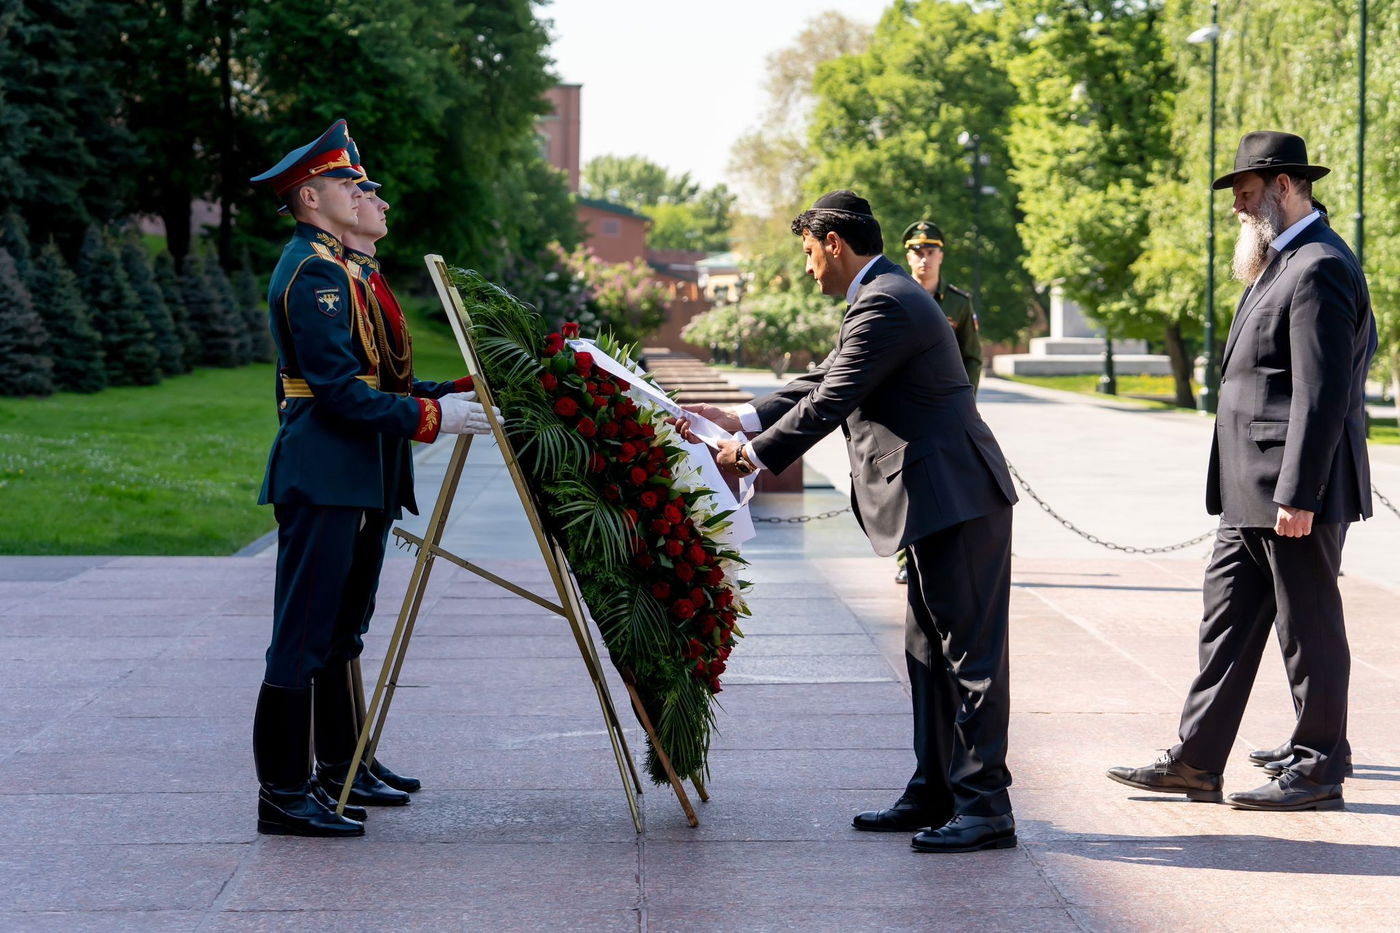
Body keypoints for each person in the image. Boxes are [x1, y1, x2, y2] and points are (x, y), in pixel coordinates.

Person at [678, 191, 1019, 853]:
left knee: (970, 658)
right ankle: (937, 789)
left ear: (833, 242)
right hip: (936, 500)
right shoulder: (883, 296)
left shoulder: (887, 299)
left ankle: (987, 806)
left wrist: (750, 453)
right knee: (928, 655)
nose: (807, 269)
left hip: (956, 497)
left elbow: (835, 396)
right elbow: (824, 376)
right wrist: (740, 418)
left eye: (808, 252)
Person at [1107, 131, 1376, 812]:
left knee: (1308, 630)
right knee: (1224, 623)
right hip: (1247, 489)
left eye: (1248, 194)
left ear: (1286, 187)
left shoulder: (1318, 265)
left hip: (1290, 490)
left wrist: (1297, 492)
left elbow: (1321, 392)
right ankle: (1197, 760)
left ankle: (1318, 767)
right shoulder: (1281, 264)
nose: (1238, 208)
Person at [248, 119, 495, 837]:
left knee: (335, 629)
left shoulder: (336, 268)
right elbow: (337, 391)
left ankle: (334, 771)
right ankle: (284, 792)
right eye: (348, 184)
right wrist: (432, 419)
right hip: (323, 470)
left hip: (349, 471)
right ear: (310, 197)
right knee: (300, 636)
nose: (361, 194)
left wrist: (445, 393)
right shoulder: (312, 272)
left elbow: (376, 376)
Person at [895, 219, 981, 585]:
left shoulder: (959, 304)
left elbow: (972, 358)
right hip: (902, 406)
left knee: (945, 480)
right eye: (916, 251)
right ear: (907, 255)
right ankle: (905, 557)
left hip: (945, 407)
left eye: (930, 251)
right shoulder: (894, 294)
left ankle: (943, 556)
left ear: (941, 255)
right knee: (904, 485)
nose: (923, 258)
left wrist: (964, 402)